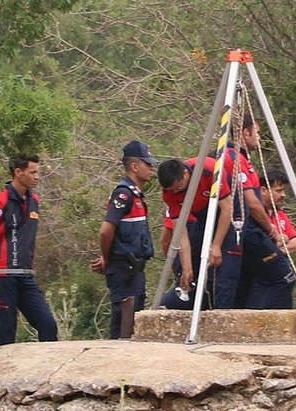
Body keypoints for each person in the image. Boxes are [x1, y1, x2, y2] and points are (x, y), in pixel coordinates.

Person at [0, 154, 58, 346]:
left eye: (38, 172)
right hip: (1, 277)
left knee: (48, 324)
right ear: (18, 172)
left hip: (26, 276)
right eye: (33, 172)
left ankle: (45, 370)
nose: (37, 176)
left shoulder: (34, 200)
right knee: (7, 334)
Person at [227, 113, 295, 309]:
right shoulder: (235, 159)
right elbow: (253, 204)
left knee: (248, 283)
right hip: (250, 231)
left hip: (248, 232)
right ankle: (276, 327)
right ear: (246, 132)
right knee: (284, 276)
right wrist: (271, 230)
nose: (259, 137)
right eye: (257, 132)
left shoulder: (243, 160)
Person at [90, 141, 157, 339]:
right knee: (123, 325)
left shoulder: (137, 196)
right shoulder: (124, 194)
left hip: (135, 270)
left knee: (133, 323)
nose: (151, 169)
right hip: (124, 270)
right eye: (148, 164)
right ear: (135, 166)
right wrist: (106, 257)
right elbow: (105, 231)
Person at [157, 156, 233, 309]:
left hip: (227, 208)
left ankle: (221, 309)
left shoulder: (209, 170)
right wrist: (187, 266)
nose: (176, 192)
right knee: (191, 257)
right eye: (172, 190)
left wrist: (216, 245)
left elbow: (227, 209)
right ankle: (187, 294)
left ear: (185, 174)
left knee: (225, 262)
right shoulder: (169, 193)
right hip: (201, 215)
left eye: (179, 187)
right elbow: (181, 231)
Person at [260, 171, 296, 255]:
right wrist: (285, 239)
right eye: (278, 191)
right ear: (264, 191)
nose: (283, 195)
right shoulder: (255, 213)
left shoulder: (280, 214)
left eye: (283, 191)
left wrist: (276, 252)